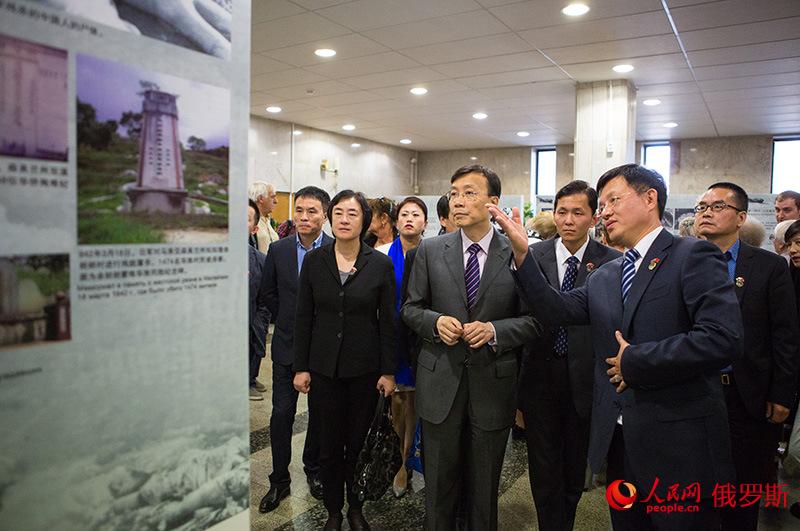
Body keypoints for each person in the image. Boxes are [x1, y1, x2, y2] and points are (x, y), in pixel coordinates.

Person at [490, 163, 743, 530]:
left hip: (677, 442)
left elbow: (723, 338)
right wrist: (523, 253)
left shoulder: (691, 256)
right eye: (602, 204)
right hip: (620, 440)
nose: (604, 211)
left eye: (613, 200)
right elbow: (554, 308)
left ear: (649, 198)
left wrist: (636, 361)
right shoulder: (608, 274)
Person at [402, 164, 540, 530]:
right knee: (438, 489)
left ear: (493, 202)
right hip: (440, 383)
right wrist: (434, 323)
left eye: (469, 193)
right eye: (453, 193)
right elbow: (410, 309)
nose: (457, 201)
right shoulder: (430, 251)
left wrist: (495, 330)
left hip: (492, 386)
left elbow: (535, 319)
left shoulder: (518, 253)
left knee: (483, 492)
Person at [694, 182, 800, 531]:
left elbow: (784, 335)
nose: (706, 212)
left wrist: (782, 394)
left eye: (717, 206)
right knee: (696, 492)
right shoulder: (682, 261)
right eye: (701, 206)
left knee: (742, 493)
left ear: (741, 218)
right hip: (693, 391)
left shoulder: (769, 267)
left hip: (747, 395)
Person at [519, 181, 621, 531]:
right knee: (543, 466)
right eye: (561, 211)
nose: (568, 220)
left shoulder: (611, 262)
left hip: (585, 378)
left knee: (574, 466)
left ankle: (566, 520)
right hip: (539, 375)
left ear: (593, 218)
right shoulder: (533, 256)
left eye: (578, 212)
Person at [293, 190, 396, 531]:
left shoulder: (379, 264)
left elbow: (387, 322)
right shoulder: (315, 260)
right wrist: (301, 366)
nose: (344, 220)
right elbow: (303, 316)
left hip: (364, 370)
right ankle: (333, 511)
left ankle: (355, 508)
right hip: (323, 369)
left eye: (352, 214)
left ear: (363, 219)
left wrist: (387, 371)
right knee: (327, 445)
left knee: (357, 444)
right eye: (338, 213)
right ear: (330, 218)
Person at [257, 186, 333, 513]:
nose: (303, 217)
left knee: (319, 416)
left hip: (324, 352)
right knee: (281, 415)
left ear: (325, 215)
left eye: (312, 211)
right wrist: (288, 321)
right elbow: (268, 294)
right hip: (287, 347)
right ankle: (279, 481)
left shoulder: (336, 249)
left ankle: (313, 470)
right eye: (299, 210)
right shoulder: (279, 250)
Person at [375, 197, 428, 498]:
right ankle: (397, 460)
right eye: (404, 214)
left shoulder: (433, 253)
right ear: (395, 221)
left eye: (416, 214)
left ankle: (407, 460)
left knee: (415, 403)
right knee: (394, 403)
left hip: (418, 337)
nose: (409, 218)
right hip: (389, 336)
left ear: (425, 222)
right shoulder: (381, 254)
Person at [247, 200, 269, 401]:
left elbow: (265, 298)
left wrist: (259, 321)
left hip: (251, 318)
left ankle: (249, 380)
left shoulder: (260, 260)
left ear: (254, 229)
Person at [248, 181, 279, 253]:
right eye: (272, 197)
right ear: (261, 199)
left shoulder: (269, 221)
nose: (276, 201)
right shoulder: (249, 222)